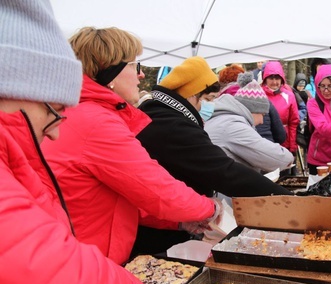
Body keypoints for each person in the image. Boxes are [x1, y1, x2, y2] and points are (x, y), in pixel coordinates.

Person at [0, 1, 159, 284]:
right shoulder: (96, 121)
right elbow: (153, 186)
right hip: (89, 280)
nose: (56, 131)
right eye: (55, 110)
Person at [41, 27, 221, 266]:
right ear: (110, 72)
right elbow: (158, 189)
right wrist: (209, 207)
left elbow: (117, 199)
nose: (140, 76)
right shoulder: (96, 123)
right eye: (134, 66)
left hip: (76, 252)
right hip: (86, 261)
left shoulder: (81, 114)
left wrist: (178, 222)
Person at [137, 56, 292, 255]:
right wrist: (288, 200)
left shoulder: (161, 115)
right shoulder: (171, 125)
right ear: (192, 94)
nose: (207, 106)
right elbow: (224, 171)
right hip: (156, 235)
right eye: (207, 99)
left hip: (170, 221)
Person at [205, 72, 294, 173]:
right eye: (263, 115)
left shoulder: (224, 119)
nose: (261, 121)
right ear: (253, 110)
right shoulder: (234, 126)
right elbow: (275, 157)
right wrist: (289, 157)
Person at [261, 61, 300, 159]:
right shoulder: (259, 95)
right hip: (264, 143)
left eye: (277, 78)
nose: (274, 82)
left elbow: (293, 123)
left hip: (284, 143)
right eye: (271, 78)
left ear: (282, 79)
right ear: (265, 79)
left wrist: (292, 147)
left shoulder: (289, 96)